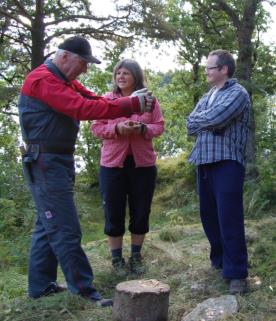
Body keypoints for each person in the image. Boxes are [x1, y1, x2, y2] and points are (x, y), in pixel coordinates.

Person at [18, 36, 154, 307]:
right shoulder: (43, 80)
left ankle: (40, 287)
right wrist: (129, 105)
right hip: (46, 161)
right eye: (83, 63)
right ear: (65, 56)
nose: (85, 69)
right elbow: (83, 109)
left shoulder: (63, 79)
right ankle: (84, 292)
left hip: (56, 160)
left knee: (47, 225)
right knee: (66, 228)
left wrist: (128, 100)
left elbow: (92, 98)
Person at [91, 59, 164, 275]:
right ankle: (116, 260)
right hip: (112, 165)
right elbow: (96, 128)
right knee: (113, 211)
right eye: (118, 73)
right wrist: (117, 129)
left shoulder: (149, 100)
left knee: (141, 212)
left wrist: (143, 129)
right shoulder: (107, 100)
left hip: (143, 165)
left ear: (136, 76)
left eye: (126, 73)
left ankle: (136, 257)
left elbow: (159, 126)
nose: (121, 77)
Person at [186, 49, 250, 295]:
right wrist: (204, 122)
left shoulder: (237, 93)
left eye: (210, 67)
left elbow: (217, 118)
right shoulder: (207, 95)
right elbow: (191, 123)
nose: (206, 71)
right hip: (204, 162)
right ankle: (221, 261)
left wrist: (203, 121)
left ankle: (237, 274)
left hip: (227, 162)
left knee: (229, 217)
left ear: (223, 69)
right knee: (209, 216)